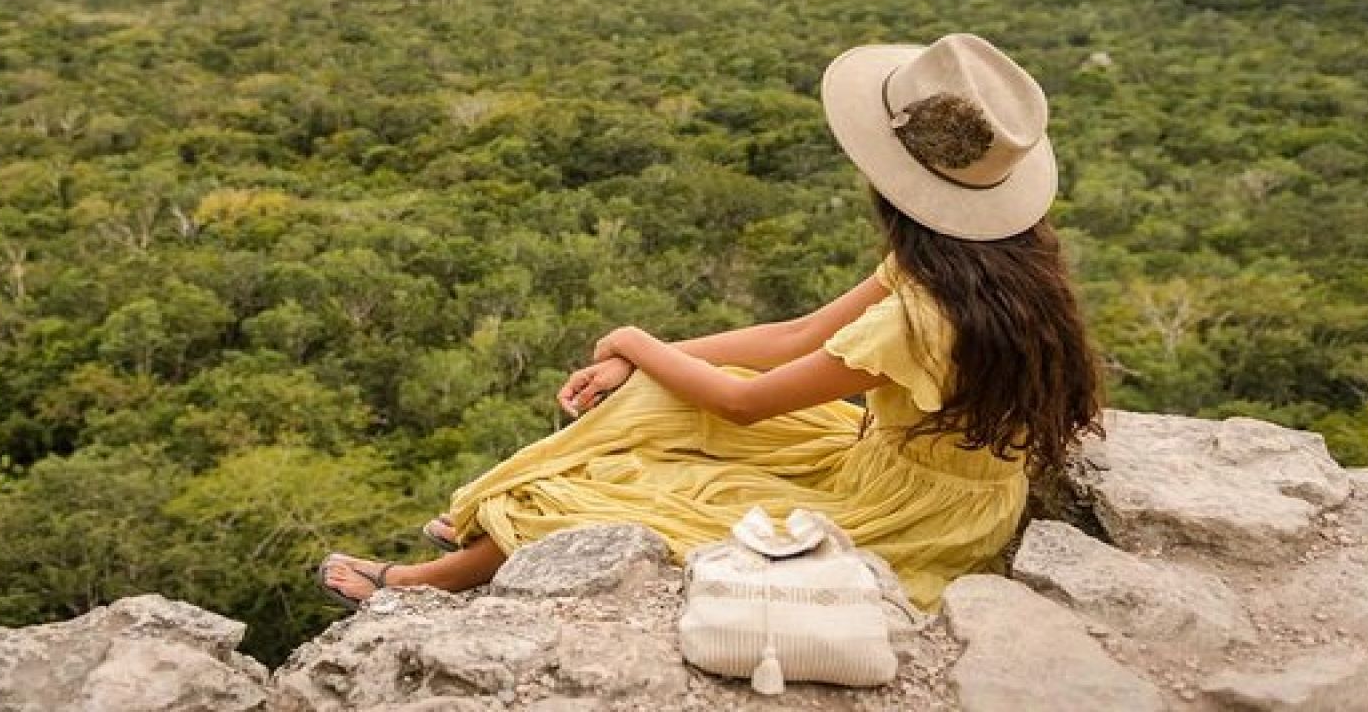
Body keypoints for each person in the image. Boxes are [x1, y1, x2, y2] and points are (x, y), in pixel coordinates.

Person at [318, 33, 1106, 614]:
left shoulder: (921, 314)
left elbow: (745, 405)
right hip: (908, 467)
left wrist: (630, 340)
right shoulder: (991, 264)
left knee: (636, 487)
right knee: (653, 401)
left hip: (907, 508)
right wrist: (647, 361)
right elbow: (795, 338)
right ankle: (496, 524)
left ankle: (438, 578)